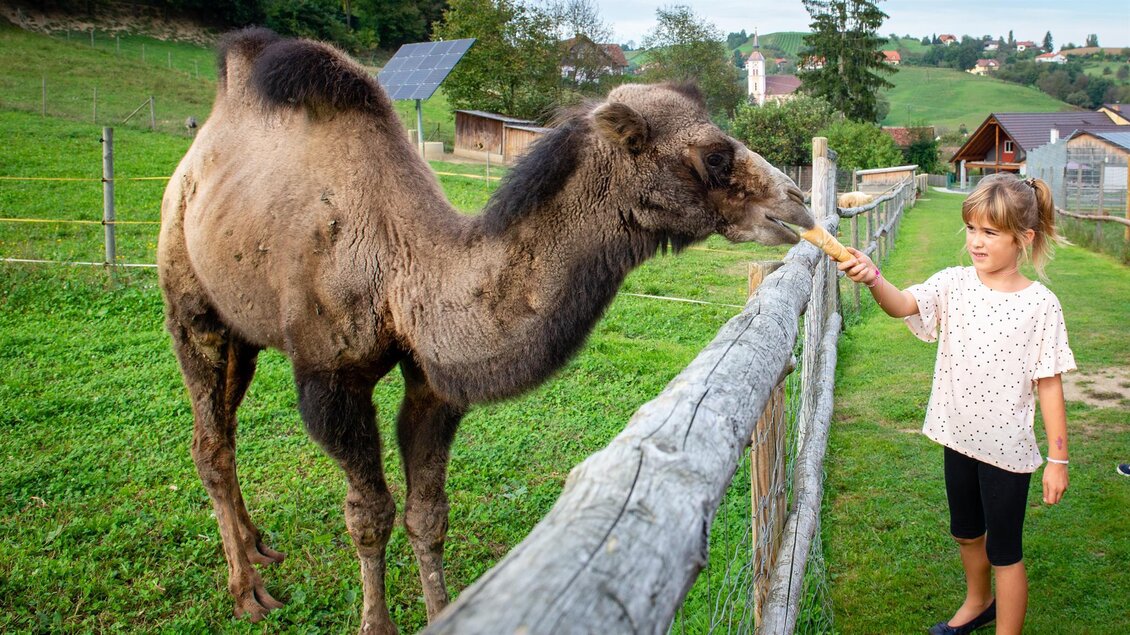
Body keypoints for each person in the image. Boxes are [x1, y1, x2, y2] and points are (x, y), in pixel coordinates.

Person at [838, 173, 1074, 635]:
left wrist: (1058, 459)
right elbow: (902, 304)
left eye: (991, 232)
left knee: (1004, 551)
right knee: (966, 533)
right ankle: (978, 603)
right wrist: (873, 277)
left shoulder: (1041, 305)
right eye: (971, 229)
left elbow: (1049, 384)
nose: (976, 242)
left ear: (1024, 239)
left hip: (1007, 452)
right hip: (958, 438)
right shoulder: (953, 283)